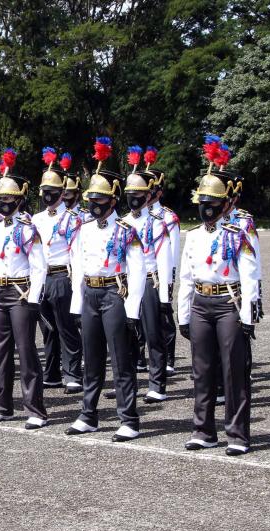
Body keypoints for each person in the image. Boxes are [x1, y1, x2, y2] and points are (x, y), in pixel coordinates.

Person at [178, 135, 259, 456]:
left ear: (226, 203)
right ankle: (203, 430)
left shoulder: (239, 234)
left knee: (233, 371)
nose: (206, 207)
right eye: (202, 201)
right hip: (201, 303)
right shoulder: (193, 235)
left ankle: (237, 434)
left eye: (212, 201)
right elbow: (187, 278)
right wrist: (183, 314)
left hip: (229, 304)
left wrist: (248, 316)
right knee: (202, 370)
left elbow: (250, 276)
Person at [67, 137, 146, 442]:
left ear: (113, 200)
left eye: (99, 199)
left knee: (121, 359)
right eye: (91, 198)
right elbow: (78, 268)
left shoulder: (126, 231)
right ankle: (88, 415)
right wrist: (77, 305)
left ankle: (129, 419)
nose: (93, 204)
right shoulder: (84, 229)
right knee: (92, 358)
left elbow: (137, 270)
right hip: (90, 293)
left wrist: (133, 310)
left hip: (115, 294)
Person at [0, 148, 49, 429]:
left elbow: (39, 267)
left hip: (20, 293)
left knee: (26, 351)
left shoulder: (27, 228)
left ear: (20, 199)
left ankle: (35, 409)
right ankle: (2, 405)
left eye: (9, 198)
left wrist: (33, 299)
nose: (3, 203)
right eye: (0, 198)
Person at [121, 145, 173, 404]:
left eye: (138, 194)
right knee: (126, 335)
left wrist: (164, 295)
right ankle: (126, 382)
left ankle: (157, 383)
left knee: (153, 334)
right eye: (130, 193)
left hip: (150, 281)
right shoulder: (122, 222)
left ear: (148, 195)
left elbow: (164, 261)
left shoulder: (157, 223)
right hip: (126, 283)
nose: (133, 198)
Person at [32, 149, 84, 394]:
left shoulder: (73, 219)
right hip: (42, 277)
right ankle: (51, 373)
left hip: (63, 276)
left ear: (63, 193)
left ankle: (72, 373)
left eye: (52, 190)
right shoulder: (36, 219)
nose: (47, 194)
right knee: (47, 329)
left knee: (66, 327)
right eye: (44, 190)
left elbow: (77, 253)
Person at [145, 150, 180, 376]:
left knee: (163, 318)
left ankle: (167, 358)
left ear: (158, 191)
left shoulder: (168, 217)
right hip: (140, 274)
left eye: (149, 190)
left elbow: (173, 253)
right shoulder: (135, 216)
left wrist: (169, 281)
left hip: (159, 275)